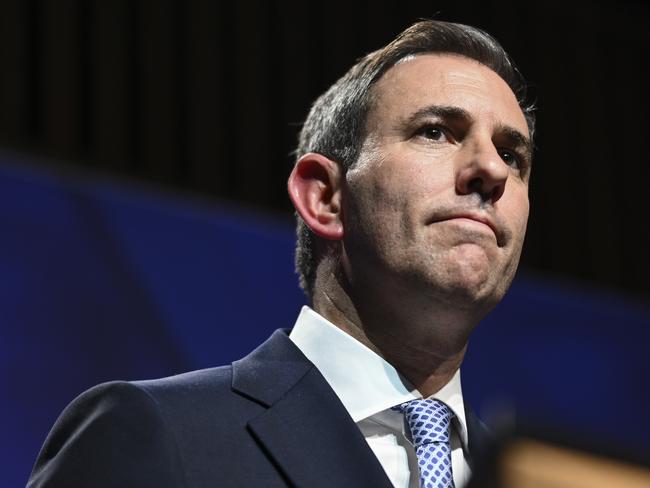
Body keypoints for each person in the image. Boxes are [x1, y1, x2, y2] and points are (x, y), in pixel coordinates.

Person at [27, 19, 534, 488]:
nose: (491, 169)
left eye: (512, 155)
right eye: (435, 131)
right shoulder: (156, 434)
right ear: (325, 198)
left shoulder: (536, 476)